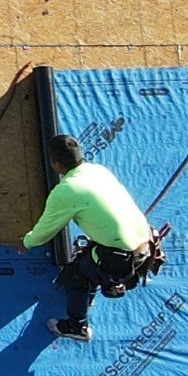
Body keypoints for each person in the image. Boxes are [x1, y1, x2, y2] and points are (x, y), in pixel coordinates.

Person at [21, 133, 165, 341]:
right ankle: (100, 281)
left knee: (76, 276)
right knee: (92, 256)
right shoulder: (99, 171)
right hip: (146, 244)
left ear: (55, 164)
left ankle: (78, 327)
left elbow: (45, 231)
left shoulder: (66, 190)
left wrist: (26, 242)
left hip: (121, 257)